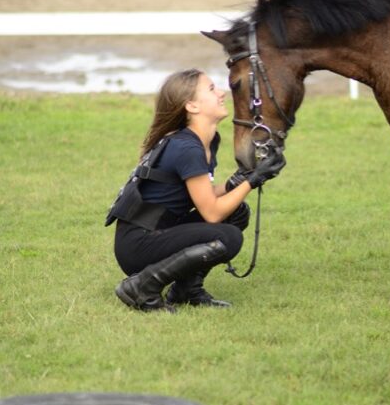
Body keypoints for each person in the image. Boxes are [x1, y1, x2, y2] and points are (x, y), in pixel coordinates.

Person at [107, 68, 285, 313]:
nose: (222, 93)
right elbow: (211, 213)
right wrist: (252, 181)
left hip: (160, 232)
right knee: (228, 238)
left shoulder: (207, 140)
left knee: (237, 213)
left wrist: (238, 181)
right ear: (191, 106)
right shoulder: (186, 147)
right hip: (139, 245)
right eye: (212, 89)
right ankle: (142, 286)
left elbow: (203, 194)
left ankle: (186, 290)